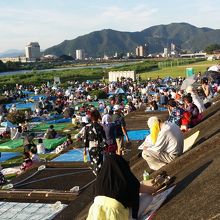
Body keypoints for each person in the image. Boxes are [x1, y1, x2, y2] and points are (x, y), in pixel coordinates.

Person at [87, 154, 166, 220]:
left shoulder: (98, 182)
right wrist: (157, 187)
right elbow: (149, 190)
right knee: (148, 196)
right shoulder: (125, 181)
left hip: (96, 215)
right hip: (116, 215)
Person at [82, 109, 106, 175]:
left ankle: (96, 173)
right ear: (97, 116)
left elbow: (85, 139)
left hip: (91, 147)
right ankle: (99, 175)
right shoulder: (100, 126)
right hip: (99, 147)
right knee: (99, 162)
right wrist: (104, 146)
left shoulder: (87, 127)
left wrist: (84, 149)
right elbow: (103, 138)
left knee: (93, 162)